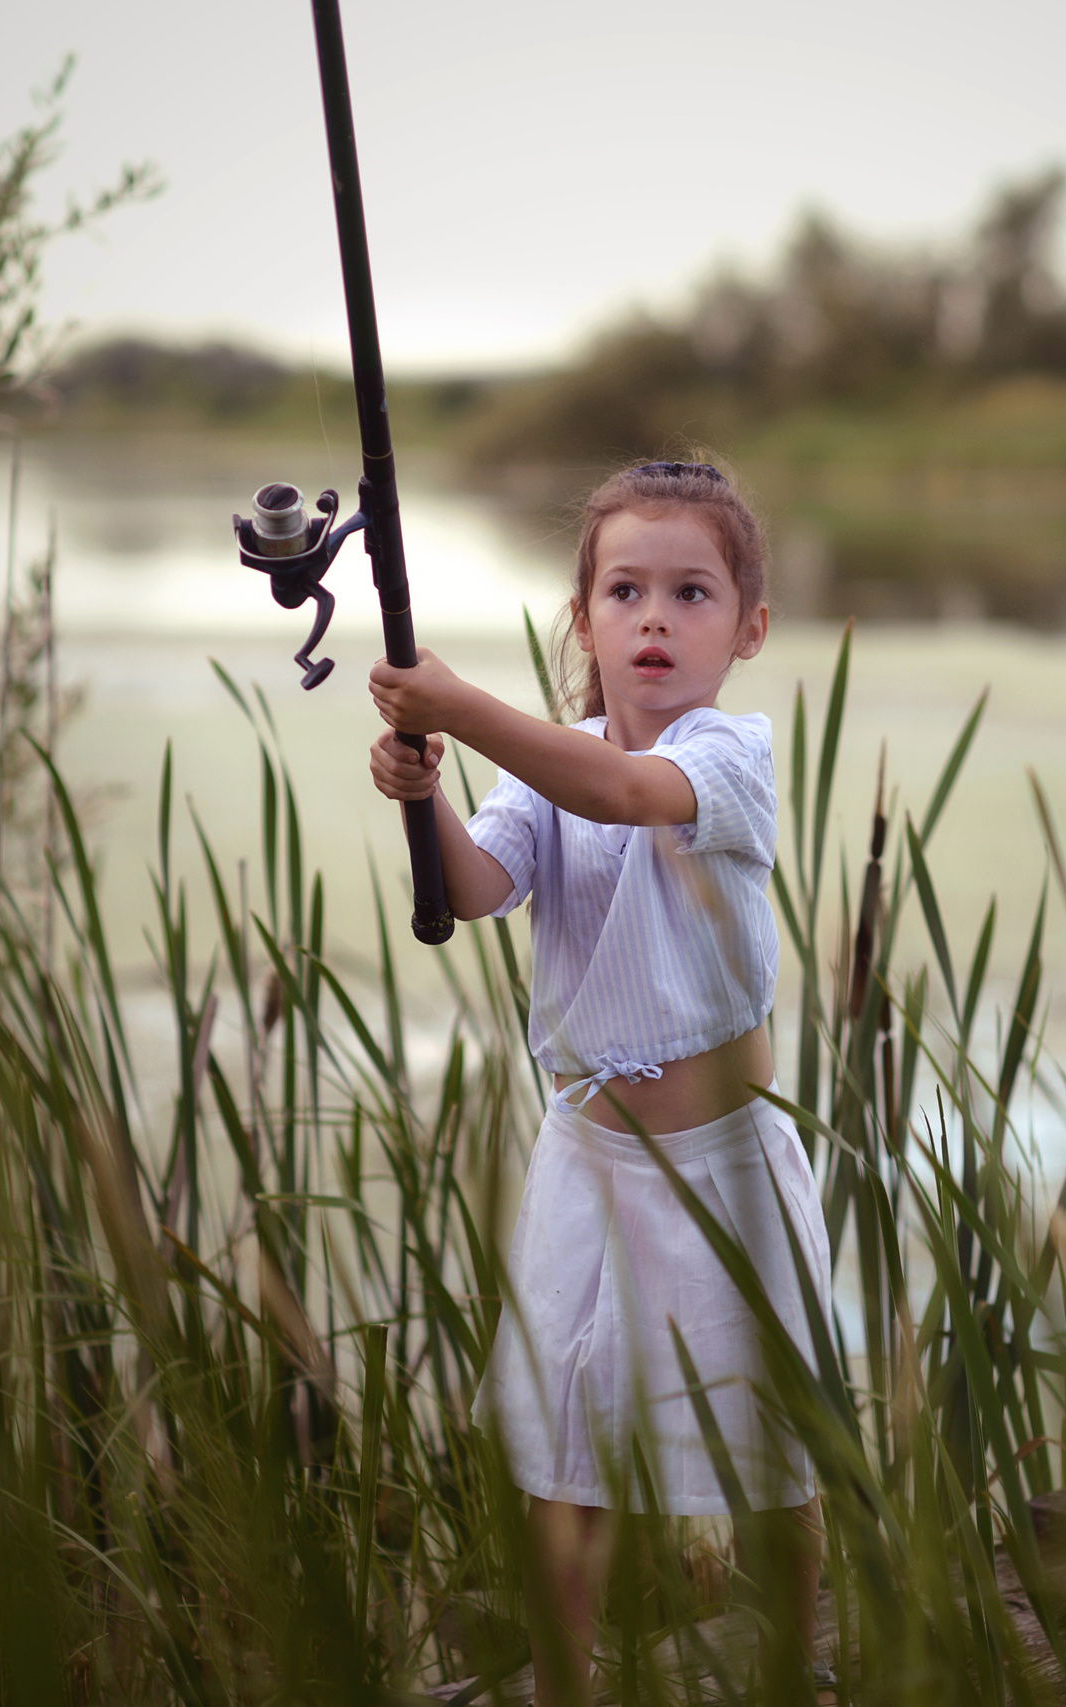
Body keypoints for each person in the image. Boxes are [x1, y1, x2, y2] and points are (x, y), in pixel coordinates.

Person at [366, 460, 830, 1705]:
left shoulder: (730, 758)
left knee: (772, 1452)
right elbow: (477, 889)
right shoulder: (546, 762)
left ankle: (792, 1665)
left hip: (727, 1172)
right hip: (589, 1164)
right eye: (624, 591)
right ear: (584, 621)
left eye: (691, 593)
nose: (654, 618)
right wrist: (427, 797)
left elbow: (623, 795)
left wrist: (459, 707)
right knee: (566, 1458)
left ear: (748, 629)